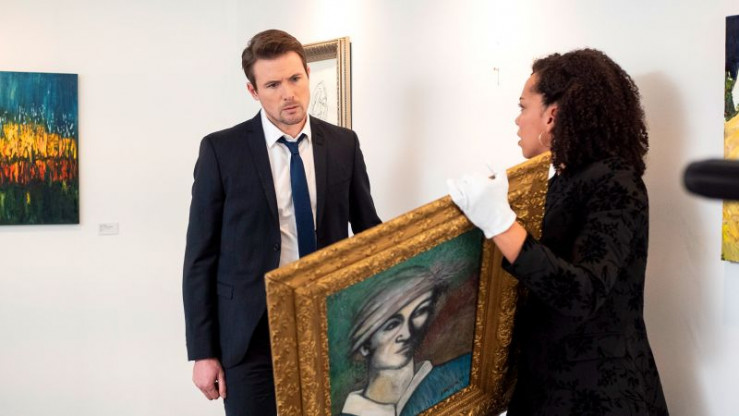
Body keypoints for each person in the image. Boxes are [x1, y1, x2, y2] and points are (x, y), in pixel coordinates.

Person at [448, 48, 669, 415]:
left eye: (523, 107)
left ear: (552, 115)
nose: (517, 120)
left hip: (600, 395)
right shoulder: (560, 184)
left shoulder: (617, 181)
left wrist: (501, 223)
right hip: (546, 387)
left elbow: (582, 293)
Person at [182, 29, 381, 416]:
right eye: (273, 85)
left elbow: (369, 233)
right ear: (253, 91)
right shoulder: (221, 151)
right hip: (250, 333)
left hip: (329, 323)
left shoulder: (344, 144)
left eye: (295, 78)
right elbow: (200, 257)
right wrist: (203, 352)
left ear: (308, 74)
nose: (288, 93)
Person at [341, 266, 471, 416]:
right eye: (392, 325)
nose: (407, 333)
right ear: (365, 346)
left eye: (419, 312)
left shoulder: (463, 371)